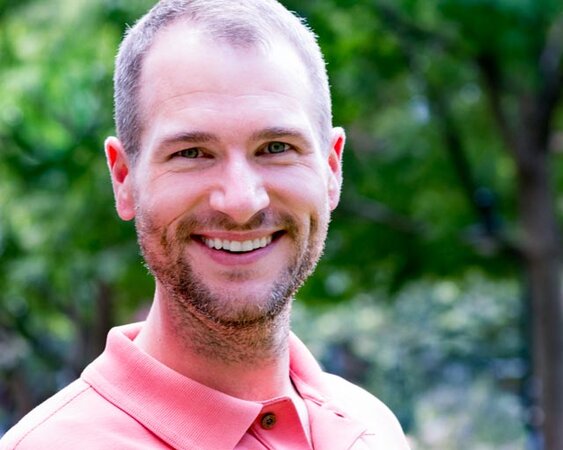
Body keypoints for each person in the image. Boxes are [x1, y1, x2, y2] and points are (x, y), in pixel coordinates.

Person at [0, 1, 410, 448]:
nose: (241, 203)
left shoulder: (373, 429)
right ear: (124, 179)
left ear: (331, 169)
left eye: (276, 147)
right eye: (192, 153)